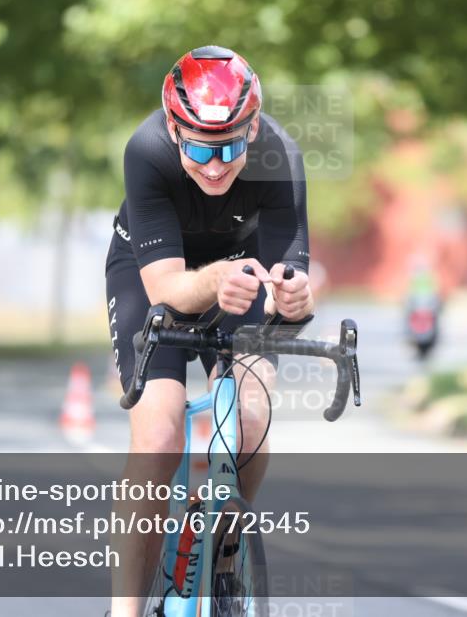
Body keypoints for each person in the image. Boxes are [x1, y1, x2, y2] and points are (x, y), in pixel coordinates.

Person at [104, 46, 313, 616]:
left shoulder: (280, 155)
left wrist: (296, 298)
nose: (216, 164)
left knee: (251, 409)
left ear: (254, 130)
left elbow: (289, 288)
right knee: (159, 436)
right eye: (198, 147)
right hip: (154, 275)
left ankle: (223, 548)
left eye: (230, 146)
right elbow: (167, 289)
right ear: (174, 131)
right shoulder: (145, 150)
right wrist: (217, 277)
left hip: (241, 275)